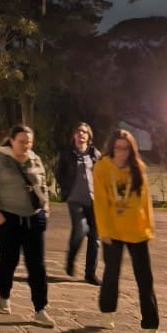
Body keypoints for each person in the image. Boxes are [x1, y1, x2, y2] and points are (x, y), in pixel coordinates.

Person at [93, 129, 162, 333]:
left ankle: (150, 327)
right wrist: (103, 230)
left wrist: (149, 227)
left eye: (126, 149)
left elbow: (145, 201)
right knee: (111, 274)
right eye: (118, 148)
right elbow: (100, 201)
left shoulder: (138, 167)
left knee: (145, 279)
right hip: (113, 230)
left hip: (137, 229)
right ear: (111, 148)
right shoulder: (102, 167)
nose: (121, 153)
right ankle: (107, 311)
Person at [0, 125, 53, 327]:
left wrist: (46, 208)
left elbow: (43, 185)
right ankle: (4, 295)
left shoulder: (35, 159)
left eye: (29, 142)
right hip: (8, 218)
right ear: (11, 141)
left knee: (37, 265)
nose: (26, 145)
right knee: (9, 260)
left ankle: (40, 308)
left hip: (33, 217)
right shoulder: (1, 159)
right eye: (22, 141)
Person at [55, 122, 101, 284]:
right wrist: (65, 188)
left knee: (95, 236)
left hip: (94, 199)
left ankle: (90, 273)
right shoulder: (67, 154)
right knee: (81, 229)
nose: (81, 134)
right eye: (78, 131)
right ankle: (71, 258)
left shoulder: (94, 154)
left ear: (89, 136)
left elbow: (102, 172)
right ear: (74, 135)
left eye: (84, 132)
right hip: (74, 199)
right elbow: (59, 172)